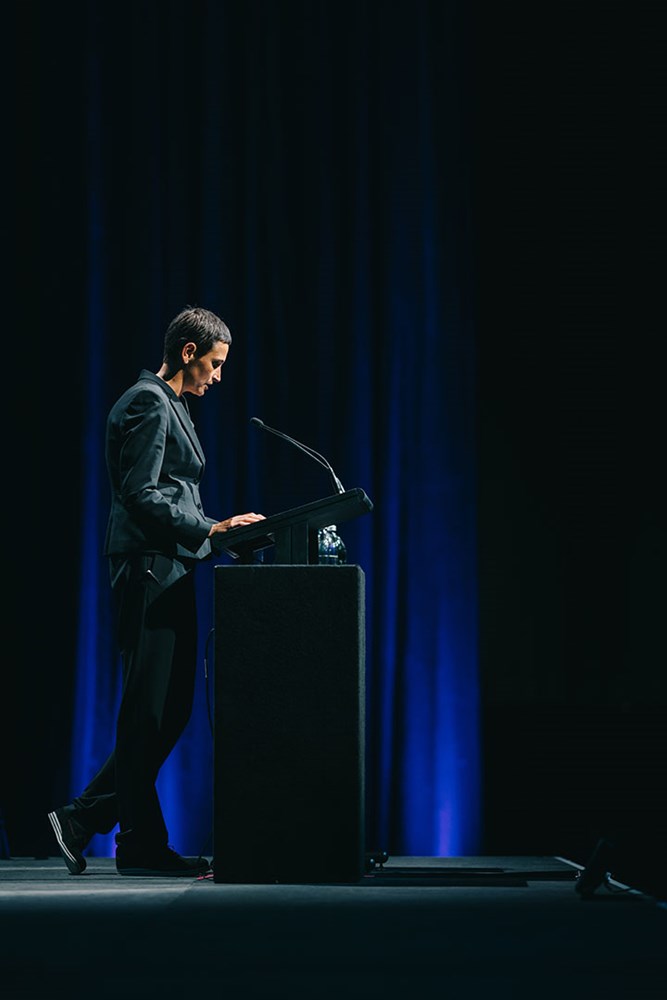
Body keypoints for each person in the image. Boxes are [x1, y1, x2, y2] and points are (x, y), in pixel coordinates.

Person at [48, 306, 264, 877]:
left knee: (168, 712)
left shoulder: (174, 405)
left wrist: (216, 533)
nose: (218, 376)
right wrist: (210, 530)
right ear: (188, 353)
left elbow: (172, 494)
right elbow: (141, 494)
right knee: (149, 710)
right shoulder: (147, 402)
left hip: (170, 565)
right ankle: (127, 838)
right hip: (148, 566)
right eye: (215, 363)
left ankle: (89, 821)